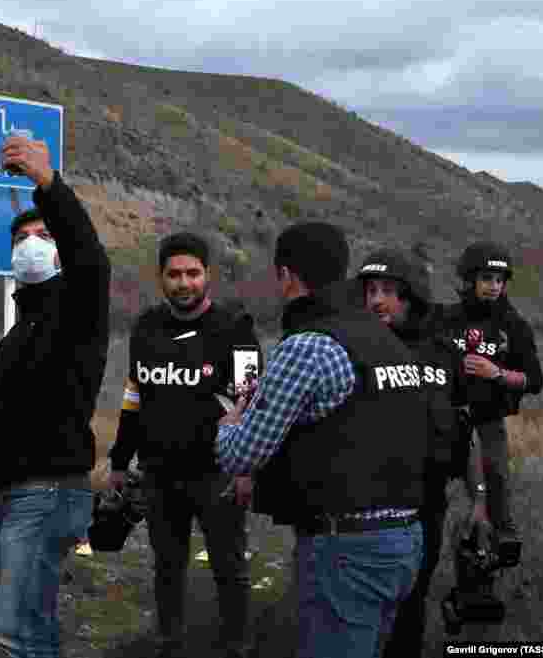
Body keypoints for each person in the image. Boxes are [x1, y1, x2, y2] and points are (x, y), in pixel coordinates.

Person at [216, 222, 429, 658]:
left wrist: (229, 423)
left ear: (287, 276)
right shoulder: (385, 340)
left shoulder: (311, 345)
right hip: (405, 538)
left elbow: (242, 454)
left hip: (346, 548)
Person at [0, 132, 111, 658]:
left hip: (48, 490)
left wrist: (48, 185)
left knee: (18, 626)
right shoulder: (13, 340)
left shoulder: (79, 313)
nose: (32, 240)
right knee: (30, 624)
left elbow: (91, 262)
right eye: (23, 234)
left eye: (43, 232)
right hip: (12, 492)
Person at [106, 232, 256, 658]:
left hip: (218, 474)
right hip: (158, 473)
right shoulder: (146, 327)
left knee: (230, 567)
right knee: (167, 566)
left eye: (193, 273)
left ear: (207, 275)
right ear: (161, 278)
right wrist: (119, 460)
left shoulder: (236, 330)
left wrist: (247, 468)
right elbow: (134, 396)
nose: (184, 282)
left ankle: (237, 645)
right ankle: (169, 641)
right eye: (174, 274)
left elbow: (252, 402)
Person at [356, 249, 491, 658]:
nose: (376, 300)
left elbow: (468, 432)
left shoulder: (445, 356)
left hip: (426, 505)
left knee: (411, 606)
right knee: (360, 613)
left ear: (412, 296)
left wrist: (480, 499)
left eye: (389, 291)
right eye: (370, 291)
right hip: (364, 508)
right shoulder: (352, 349)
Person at [438, 241, 543, 543]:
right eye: (486, 278)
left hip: (488, 424)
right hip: (443, 421)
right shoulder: (445, 319)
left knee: (496, 494)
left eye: (499, 280)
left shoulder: (514, 327)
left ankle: (485, 573)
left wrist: (497, 373)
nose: (494, 286)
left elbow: (535, 380)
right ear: (470, 280)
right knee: (427, 495)